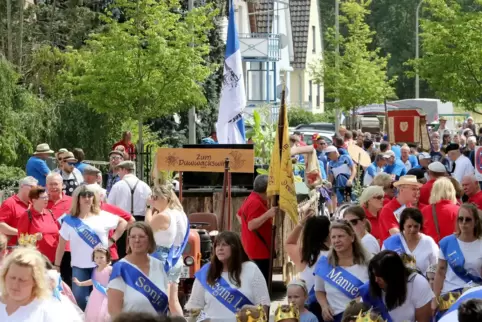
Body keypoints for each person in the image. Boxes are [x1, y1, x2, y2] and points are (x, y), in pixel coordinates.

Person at [54, 185, 128, 310]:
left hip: (101, 266)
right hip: (79, 266)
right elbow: (61, 246)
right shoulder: (69, 220)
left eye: (90, 195)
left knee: (103, 302)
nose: (87, 198)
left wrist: (112, 239)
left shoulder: (103, 215)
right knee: (80, 303)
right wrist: (56, 266)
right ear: (77, 198)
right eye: (83, 195)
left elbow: (123, 222)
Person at [185, 231, 270, 321]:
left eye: (224, 245)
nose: (220, 248)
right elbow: (194, 308)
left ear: (235, 248)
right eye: (217, 245)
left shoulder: (251, 269)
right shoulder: (206, 272)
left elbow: (264, 305)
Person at [0, 247, 83, 322]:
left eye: (22, 280)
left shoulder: (49, 310)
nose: (15, 284)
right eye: (12, 277)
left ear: (35, 282)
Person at [107, 222, 169, 318]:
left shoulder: (158, 265)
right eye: (133, 237)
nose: (137, 240)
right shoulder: (120, 268)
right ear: (128, 240)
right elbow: (114, 311)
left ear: (150, 240)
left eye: (141, 236)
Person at [144, 184, 188, 316]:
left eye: (155, 197)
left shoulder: (163, 215)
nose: (153, 200)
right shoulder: (180, 213)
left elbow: (146, 228)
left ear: (165, 198)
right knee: (173, 301)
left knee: (158, 300)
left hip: (161, 256)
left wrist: (148, 208)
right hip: (175, 256)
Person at [314, 220, 370, 322]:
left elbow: (376, 291)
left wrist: (361, 299)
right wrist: (324, 306)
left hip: (362, 317)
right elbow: (319, 290)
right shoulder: (324, 263)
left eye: (341, 236)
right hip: (335, 318)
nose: (336, 241)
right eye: (333, 237)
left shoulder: (368, 263)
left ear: (352, 237)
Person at [433, 203, 482, 314]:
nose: (463, 222)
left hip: (474, 297)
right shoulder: (447, 243)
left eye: (468, 219)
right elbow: (440, 272)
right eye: (460, 219)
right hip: (450, 297)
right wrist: (435, 298)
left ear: (476, 222)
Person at [359, 250, 434, 322]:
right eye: (374, 275)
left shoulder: (418, 284)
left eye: (380, 276)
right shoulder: (368, 290)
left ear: (393, 276)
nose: (376, 280)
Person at [285, 211, 330, 320]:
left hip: (309, 304)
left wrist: (301, 223)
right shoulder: (334, 254)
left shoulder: (304, 255)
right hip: (328, 303)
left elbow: (289, 243)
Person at [236, 174, 277, 284]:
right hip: (259, 252)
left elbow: (239, 215)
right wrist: (267, 215)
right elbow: (251, 225)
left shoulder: (251, 197)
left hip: (254, 249)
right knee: (261, 284)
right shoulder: (256, 202)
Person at [382, 208, 438, 274]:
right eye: (409, 226)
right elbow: (382, 267)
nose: (412, 229)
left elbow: (436, 266)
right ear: (403, 225)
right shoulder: (391, 242)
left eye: (416, 226)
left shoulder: (428, 242)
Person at [17, 186, 60, 263]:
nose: (46, 199)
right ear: (34, 200)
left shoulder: (50, 213)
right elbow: (21, 240)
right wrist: (33, 237)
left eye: (47, 196)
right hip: (37, 260)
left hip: (55, 259)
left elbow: (58, 234)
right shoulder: (27, 215)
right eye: (43, 197)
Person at [46, 172, 73, 286]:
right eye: (50, 184)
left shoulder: (72, 201)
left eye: (56, 184)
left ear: (62, 185)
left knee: (67, 282)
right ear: (46, 186)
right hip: (48, 249)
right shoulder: (41, 202)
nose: (53, 187)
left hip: (68, 249)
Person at [378, 175, 422, 243]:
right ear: (402, 190)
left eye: (417, 189)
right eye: (413, 189)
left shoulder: (411, 208)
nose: (417, 192)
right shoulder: (388, 209)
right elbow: (396, 234)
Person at [73, 247, 112, 322]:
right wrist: (80, 283)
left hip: (106, 295)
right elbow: (93, 281)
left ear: (107, 257)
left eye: (101, 257)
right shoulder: (95, 270)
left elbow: (116, 280)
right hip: (95, 296)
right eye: (96, 257)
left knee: (104, 314)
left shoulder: (110, 269)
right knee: (94, 313)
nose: (99, 260)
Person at [0, 176, 38, 248]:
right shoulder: (9, 203)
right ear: (22, 186)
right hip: (13, 249)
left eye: (35, 189)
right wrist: (22, 233)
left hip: (30, 248)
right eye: (31, 187)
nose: (34, 191)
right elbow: (1, 226)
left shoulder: (33, 204)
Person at [422, 177, 460, 243]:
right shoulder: (458, 210)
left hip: (432, 249)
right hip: (452, 249)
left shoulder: (424, 211)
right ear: (452, 191)